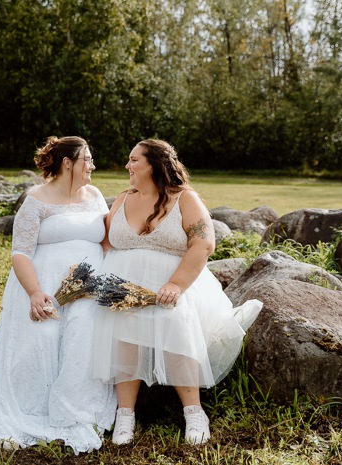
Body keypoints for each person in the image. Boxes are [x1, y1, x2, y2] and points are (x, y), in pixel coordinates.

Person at [94, 139, 262, 446]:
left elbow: (203, 243)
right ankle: (125, 415)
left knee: (175, 327)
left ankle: (194, 411)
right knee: (122, 336)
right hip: (122, 286)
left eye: (134, 160)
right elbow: (104, 243)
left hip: (171, 284)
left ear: (154, 165)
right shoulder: (122, 199)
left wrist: (176, 284)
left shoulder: (184, 198)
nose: (128, 166)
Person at [0, 136, 116, 453]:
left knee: (82, 337)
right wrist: (35, 293)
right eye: (88, 160)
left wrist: (105, 278)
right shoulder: (36, 199)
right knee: (43, 341)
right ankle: (35, 410)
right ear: (68, 163)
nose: (93, 165)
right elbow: (21, 254)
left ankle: (75, 410)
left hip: (87, 286)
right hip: (44, 287)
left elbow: (106, 241)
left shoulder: (94, 195)